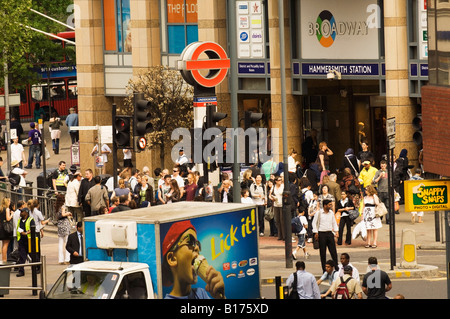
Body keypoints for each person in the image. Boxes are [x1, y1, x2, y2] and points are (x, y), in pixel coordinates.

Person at [162, 221, 225, 299]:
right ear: (172, 259)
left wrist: (221, 297)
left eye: (197, 244)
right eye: (190, 241)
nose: (197, 248)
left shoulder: (201, 294)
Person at [312, 199, 339, 272]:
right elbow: (314, 223)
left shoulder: (331, 213)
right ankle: (324, 270)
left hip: (330, 233)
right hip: (321, 233)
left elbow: (334, 222)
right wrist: (316, 232)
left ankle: (336, 267)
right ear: (325, 205)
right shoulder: (319, 213)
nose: (331, 206)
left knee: (333, 252)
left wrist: (336, 231)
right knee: (322, 253)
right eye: (329, 205)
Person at [16, 207, 35, 277]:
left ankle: (35, 269)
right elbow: (18, 228)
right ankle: (21, 271)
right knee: (22, 256)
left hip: (29, 240)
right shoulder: (20, 220)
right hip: (21, 241)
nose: (21, 213)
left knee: (32, 255)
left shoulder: (30, 220)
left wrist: (26, 233)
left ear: (26, 213)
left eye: (22, 212)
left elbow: (33, 228)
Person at [55, 194, 72, 264]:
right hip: (65, 224)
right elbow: (63, 214)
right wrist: (68, 213)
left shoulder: (56, 207)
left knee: (60, 243)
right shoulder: (63, 206)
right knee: (67, 242)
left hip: (59, 225)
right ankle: (67, 259)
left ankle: (60, 259)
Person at [269, 176, 285, 241]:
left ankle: (284, 235)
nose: (280, 181)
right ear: (276, 181)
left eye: (281, 180)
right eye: (279, 180)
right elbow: (269, 194)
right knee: (277, 220)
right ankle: (279, 235)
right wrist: (272, 198)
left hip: (281, 204)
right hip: (276, 204)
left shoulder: (283, 186)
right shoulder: (273, 187)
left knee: (282, 220)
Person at [0, 198, 12, 263]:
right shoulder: (7, 209)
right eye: (9, 201)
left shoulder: (1, 209)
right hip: (6, 229)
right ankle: (4, 259)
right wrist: (12, 215)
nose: (10, 202)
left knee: (3, 244)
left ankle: (3, 258)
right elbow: (8, 219)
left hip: (1, 228)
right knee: (6, 244)